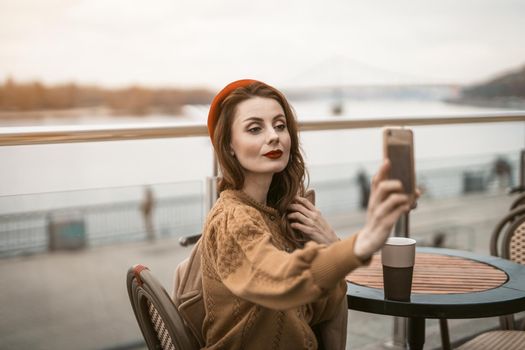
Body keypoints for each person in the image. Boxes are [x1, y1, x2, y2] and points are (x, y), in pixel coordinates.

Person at [199, 79, 413, 350]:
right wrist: (363, 241)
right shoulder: (233, 219)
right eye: (255, 129)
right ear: (229, 145)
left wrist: (330, 245)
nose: (274, 136)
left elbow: (316, 311)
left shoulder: (280, 215)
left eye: (280, 125)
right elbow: (280, 280)